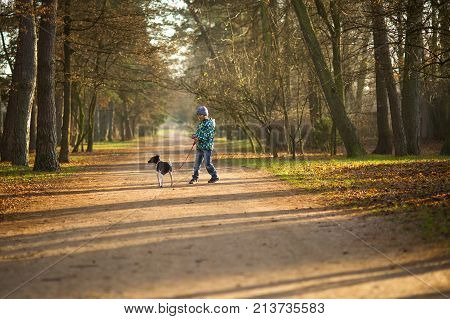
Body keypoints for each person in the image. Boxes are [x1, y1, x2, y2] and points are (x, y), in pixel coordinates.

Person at [189, 106, 219, 184]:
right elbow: (199, 133)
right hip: (200, 146)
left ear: (204, 115)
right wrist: (195, 135)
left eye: (199, 115)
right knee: (197, 164)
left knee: (207, 164)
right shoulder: (201, 123)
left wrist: (198, 138)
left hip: (207, 147)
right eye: (198, 115)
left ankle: (214, 176)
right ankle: (195, 178)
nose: (198, 116)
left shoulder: (210, 124)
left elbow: (208, 135)